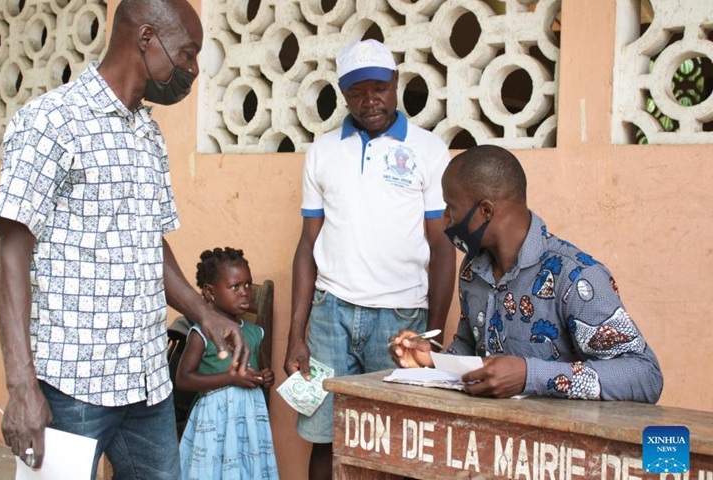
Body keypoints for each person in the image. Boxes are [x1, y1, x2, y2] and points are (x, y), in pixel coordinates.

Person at [0, 1, 251, 478]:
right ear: (147, 38)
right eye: (187, 54)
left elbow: (149, 242)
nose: (192, 70)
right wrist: (21, 384)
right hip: (70, 388)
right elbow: (10, 254)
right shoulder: (50, 121)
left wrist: (205, 314)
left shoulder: (147, 133)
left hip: (147, 382)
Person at [284, 39, 456, 480]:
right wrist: (295, 336)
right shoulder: (322, 151)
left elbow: (441, 248)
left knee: (395, 442)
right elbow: (307, 245)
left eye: (379, 87)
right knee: (325, 437)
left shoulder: (429, 149)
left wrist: (432, 336)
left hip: (401, 320)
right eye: (357, 91)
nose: (369, 100)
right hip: (330, 315)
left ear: (396, 84)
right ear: (343, 93)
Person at [389, 145, 663, 403]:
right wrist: (432, 360)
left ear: (485, 211)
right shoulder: (473, 269)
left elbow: (645, 376)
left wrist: (528, 375)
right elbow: (473, 351)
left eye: (451, 207)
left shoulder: (576, 277)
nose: (445, 219)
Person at [176, 247, 279, 480]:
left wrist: (264, 376)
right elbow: (184, 379)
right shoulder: (201, 334)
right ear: (210, 292)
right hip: (215, 419)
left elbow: (255, 369)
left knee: (246, 466)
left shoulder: (254, 332)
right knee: (214, 469)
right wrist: (230, 379)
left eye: (247, 285)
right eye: (235, 287)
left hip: (248, 415)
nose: (244, 292)